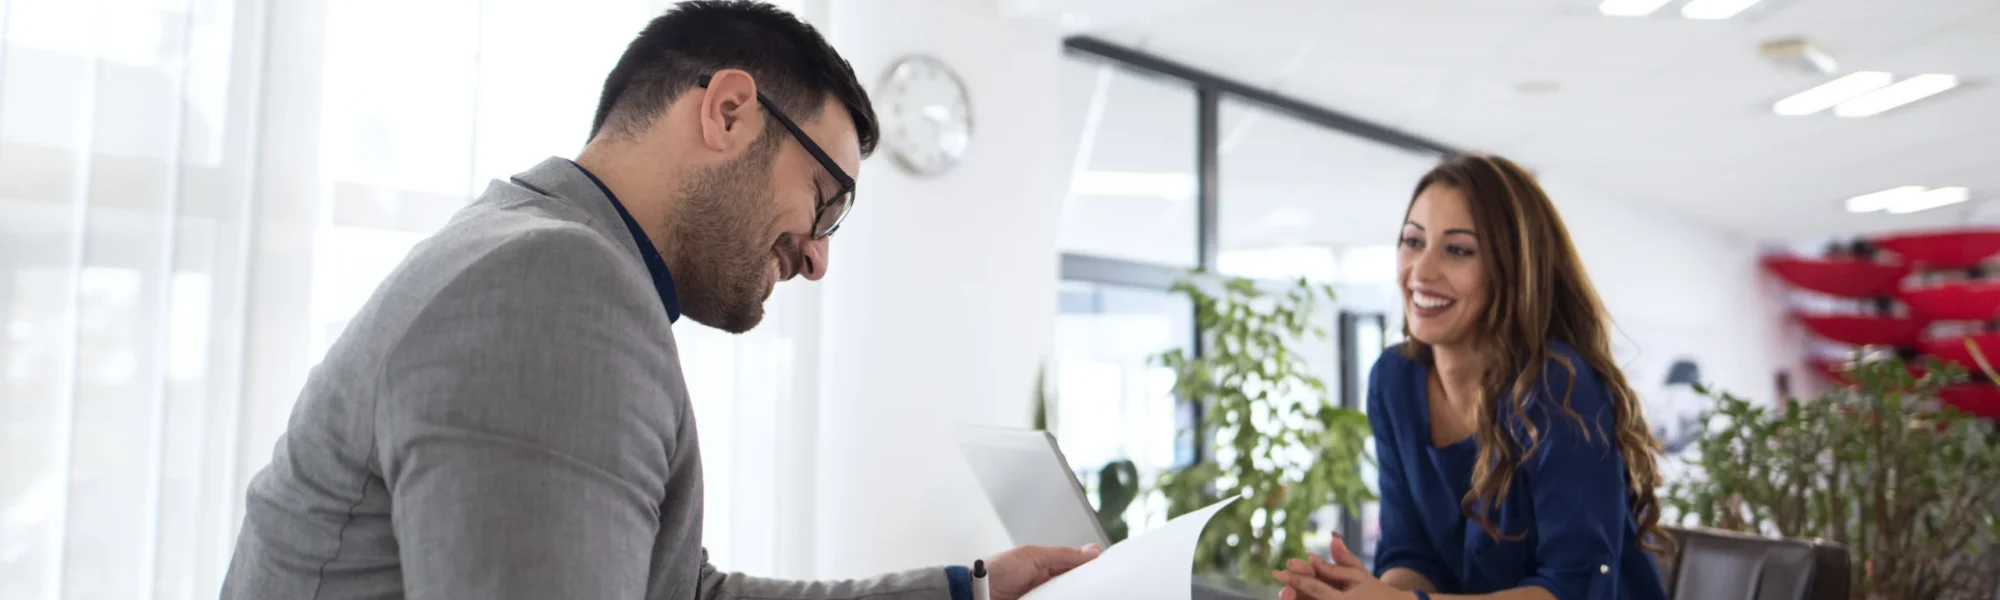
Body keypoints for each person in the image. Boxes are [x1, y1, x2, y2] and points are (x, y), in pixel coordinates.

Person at [219, 2, 1097, 599]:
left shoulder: (534, 253)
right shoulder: (553, 288)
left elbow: (681, 592)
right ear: (727, 113)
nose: (820, 256)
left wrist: (970, 589)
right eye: (827, 199)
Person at [1275, 155, 1669, 600]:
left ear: (1512, 269)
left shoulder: (1557, 385)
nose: (1421, 272)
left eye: (1458, 250)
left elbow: (1575, 588)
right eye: (1412, 241)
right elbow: (1412, 556)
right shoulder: (1394, 380)